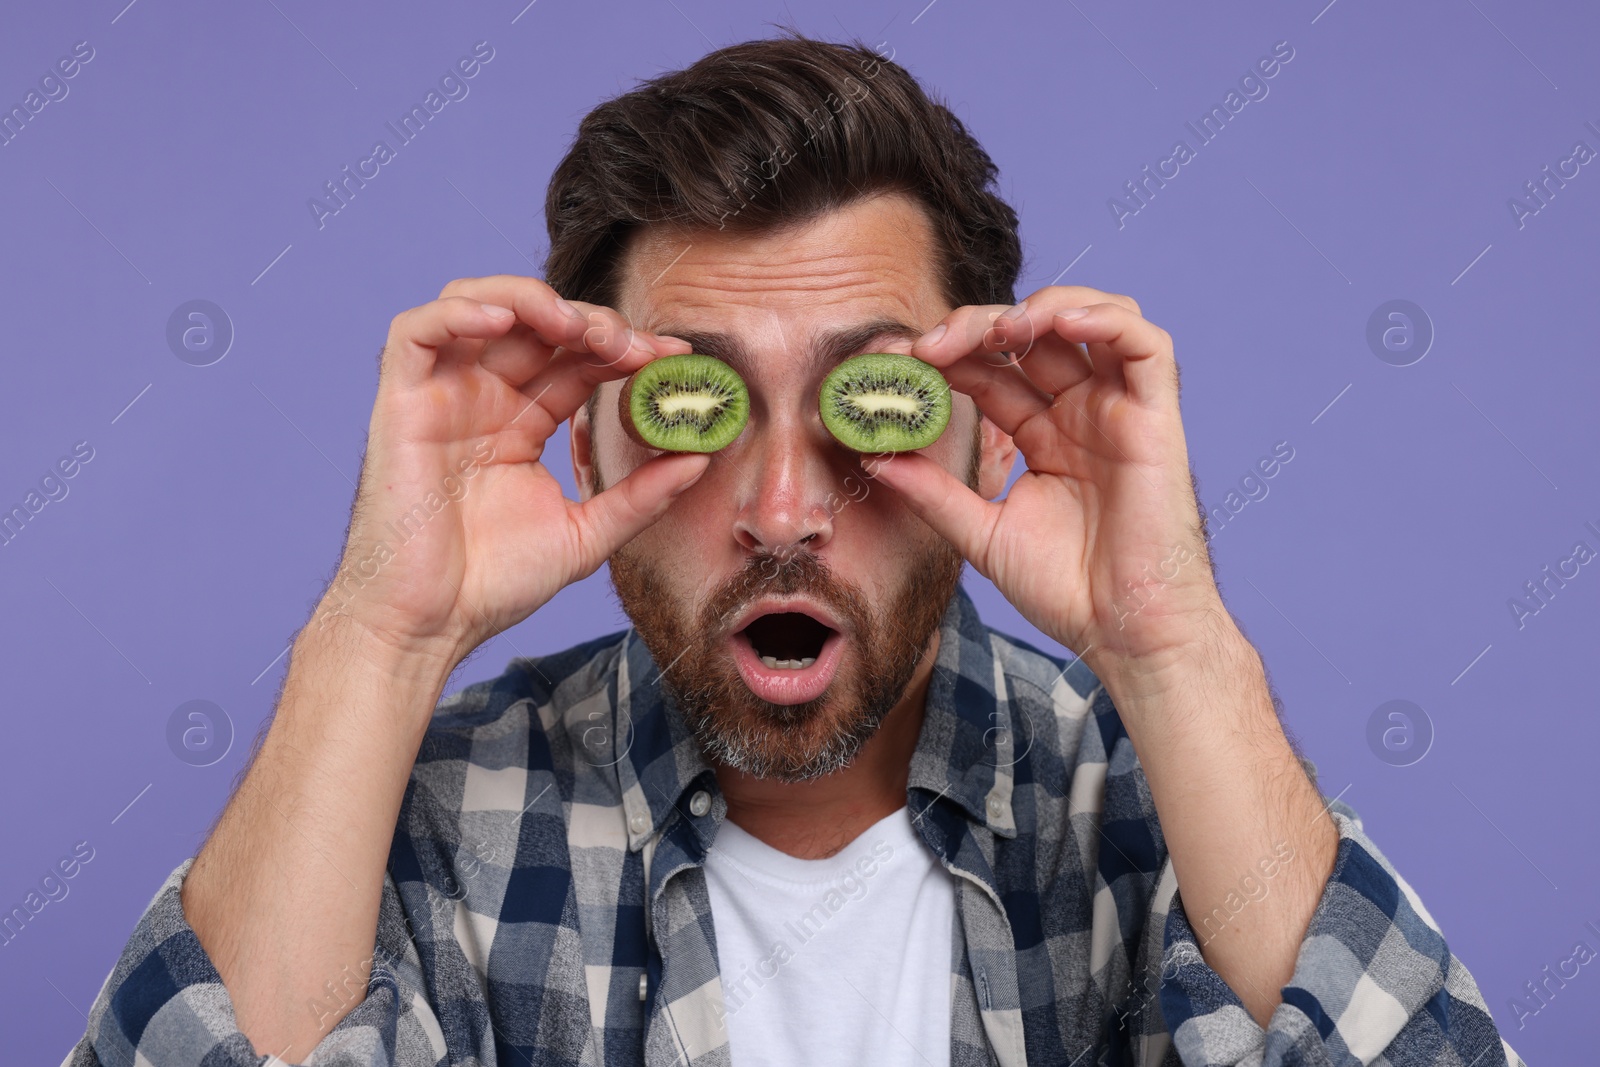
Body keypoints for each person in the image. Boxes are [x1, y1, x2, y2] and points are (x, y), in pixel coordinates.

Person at [67, 33, 1521, 1067]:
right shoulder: (434, 821)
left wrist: (1175, 648)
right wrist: (378, 634)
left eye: (861, 403)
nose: (777, 507)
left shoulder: (1160, 814)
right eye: (694, 403)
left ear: (985, 440)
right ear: (594, 445)